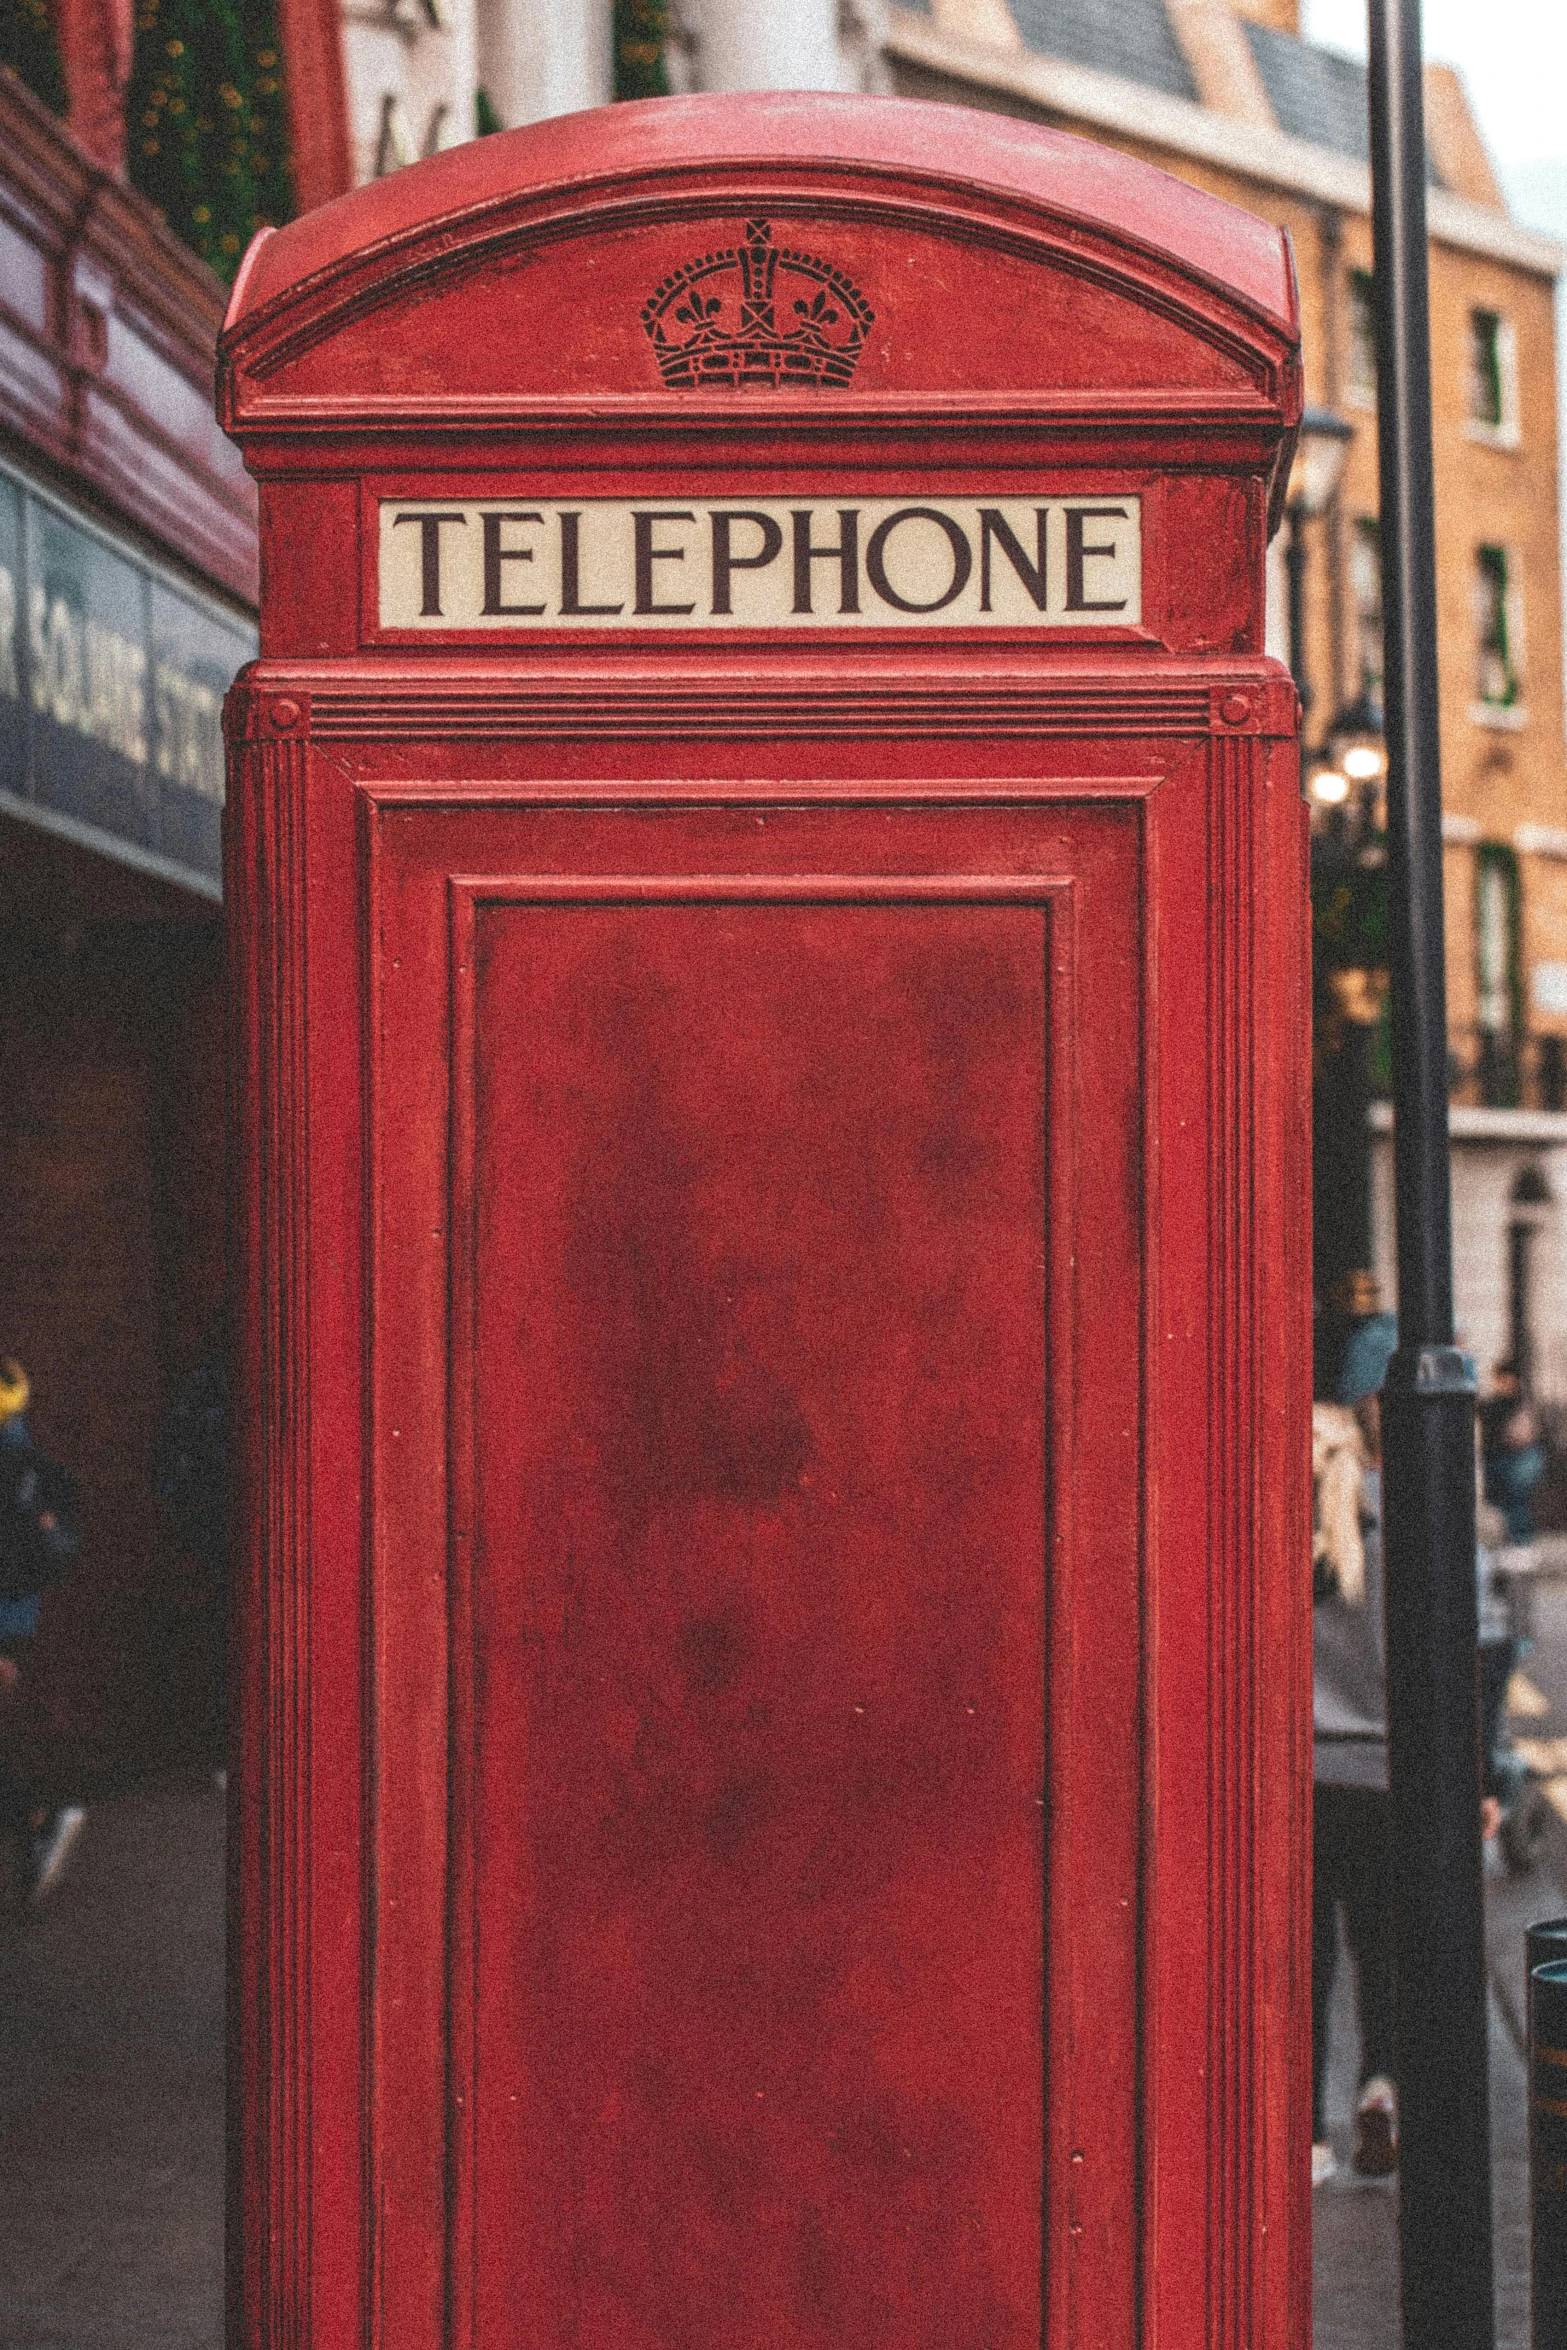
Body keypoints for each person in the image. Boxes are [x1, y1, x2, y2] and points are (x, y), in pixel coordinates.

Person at [1312, 1312, 1399, 2189]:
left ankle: (1303, 2131)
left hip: (1300, 1771)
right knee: (1383, 1953)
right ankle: (1380, 2087)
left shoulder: (1292, 1511)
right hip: (1381, 1770)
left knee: (1302, 1963)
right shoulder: (1397, 1511)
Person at [0, 1356, 85, 1905]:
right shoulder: (19, 1438)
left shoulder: (12, 1454)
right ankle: (37, 1825)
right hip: (14, 1610)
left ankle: (38, 1823)